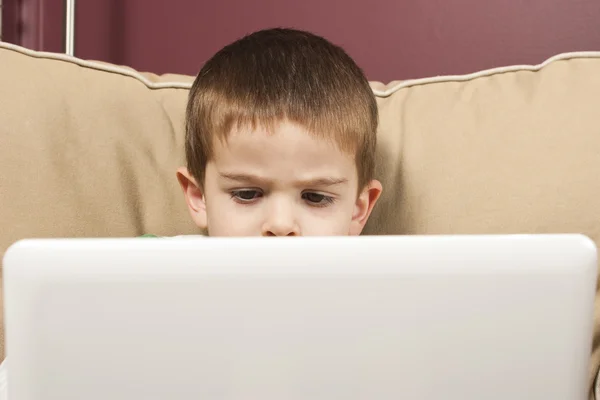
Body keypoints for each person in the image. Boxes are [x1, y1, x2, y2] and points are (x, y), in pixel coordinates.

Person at [0, 28, 383, 398]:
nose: (281, 226)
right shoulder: (142, 276)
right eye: (248, 194)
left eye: (316, 198)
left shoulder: (386, 304)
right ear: (198, 197)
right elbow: (21, 378)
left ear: (358, 210)